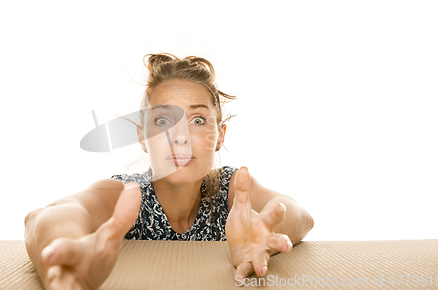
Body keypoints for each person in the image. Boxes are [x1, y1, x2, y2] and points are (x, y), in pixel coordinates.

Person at [24, 53, 314, 290]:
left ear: (221, 135)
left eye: (198, 120)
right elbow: (48, 216)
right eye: (163, 120)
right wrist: (66, 255)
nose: (180, 136)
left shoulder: (231, 189)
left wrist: (264, 236)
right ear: (141, 137)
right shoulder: (126, 195)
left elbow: (296, 213)